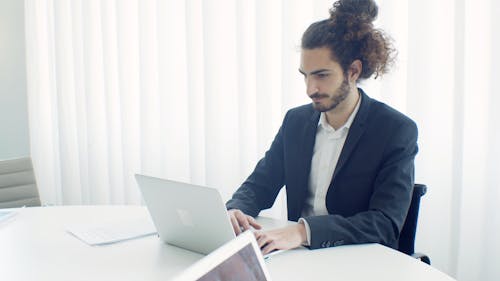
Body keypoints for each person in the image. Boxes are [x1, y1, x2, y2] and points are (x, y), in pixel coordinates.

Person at [226, 0, 418, 255]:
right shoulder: (295, 121)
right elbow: (260, 184)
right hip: (296, 258)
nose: (310, 89)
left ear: (353, 71)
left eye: (321, 75)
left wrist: (303, 231)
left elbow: (384, 224)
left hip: (357, 260)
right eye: (305, 75)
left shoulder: (394, 130)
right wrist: (236, 210)